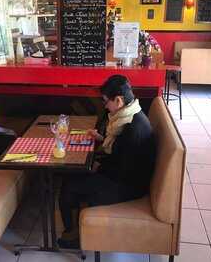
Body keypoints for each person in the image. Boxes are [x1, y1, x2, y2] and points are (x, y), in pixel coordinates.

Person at [58, 75, 156, 248]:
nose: (105, 106)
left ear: (118, 100)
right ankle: (75, 225)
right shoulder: (132, 115)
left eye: (106, 101)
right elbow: (123, 153)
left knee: (68, 185)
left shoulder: (132, 128)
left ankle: (74, 236)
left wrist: (97, 166)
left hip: (128, 186)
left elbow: (122, 171)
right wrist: (102, 140)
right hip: (128, 177)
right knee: (74, 174)